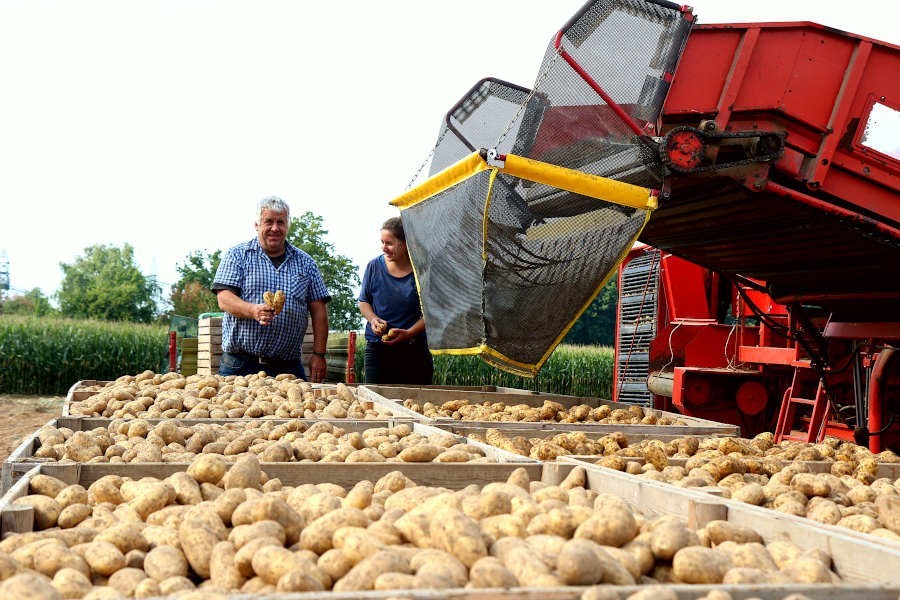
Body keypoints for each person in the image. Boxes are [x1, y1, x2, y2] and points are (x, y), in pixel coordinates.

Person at [212, 196, 330, 381]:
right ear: (257, 225)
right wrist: (253, 310)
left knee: (296, 410)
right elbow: (224, 298)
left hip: (288, 366)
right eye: (269, 221)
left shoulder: (306, 263)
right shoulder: (237, 256)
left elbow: (319, 311)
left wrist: (319, 354)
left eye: (280, 222)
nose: (275, 228)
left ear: (287, 226)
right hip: (240, 364)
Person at [358, 217, 433, 385]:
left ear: (405, 244)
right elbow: (363, 301)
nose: (384, 248)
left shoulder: (422, 271)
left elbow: (431, 312)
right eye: (382, 242)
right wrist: (373, 319)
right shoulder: (373, 267)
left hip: (414, 351)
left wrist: (410, 333)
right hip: (378, 350)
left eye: (389, 243)